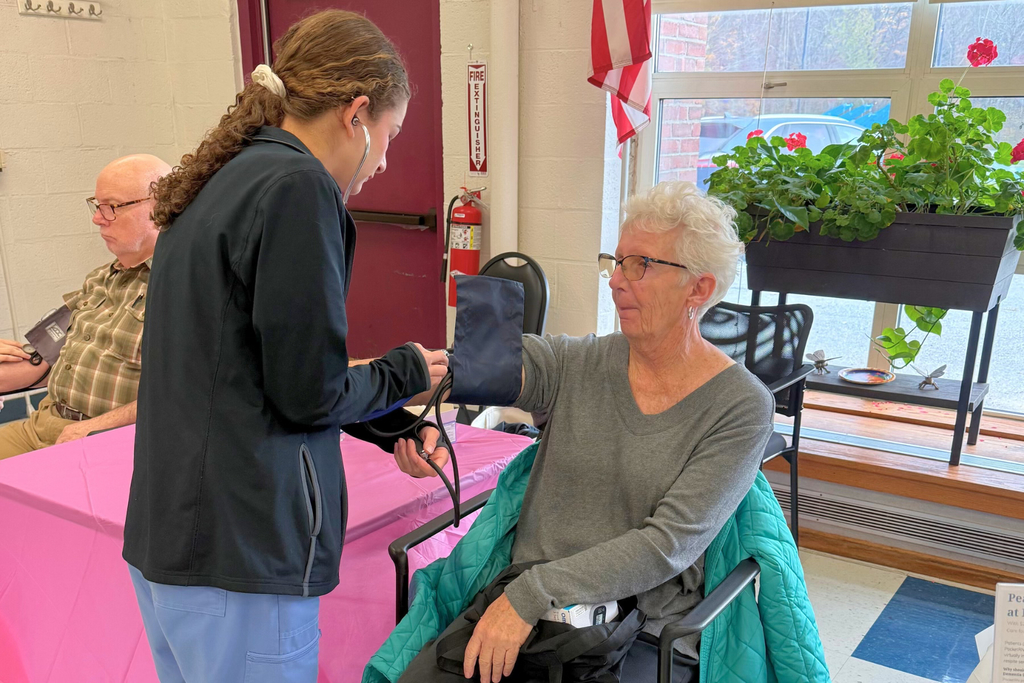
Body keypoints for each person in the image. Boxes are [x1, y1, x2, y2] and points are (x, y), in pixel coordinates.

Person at [122, 11, 450, 683]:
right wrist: (404, 371)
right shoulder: (298, 188)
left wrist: (393, 428)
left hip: (174, 546)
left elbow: (256, 373)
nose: (386, 160)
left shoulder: (223, 175)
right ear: (357, 113)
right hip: (241, 555)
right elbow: (308, 392)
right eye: (390, 135)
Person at [397, 182, 776, 683]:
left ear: (699, 288)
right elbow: (466, 370)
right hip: (525, 601)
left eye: (640, 264)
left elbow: (665, 545)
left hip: (638, 626)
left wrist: (531, 596)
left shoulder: (740, 405)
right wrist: (380, 406)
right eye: (615, 262)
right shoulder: (579, 363)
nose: (617, 281)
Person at [0, 154, 171, 459]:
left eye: (113, 207)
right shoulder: (99, 280)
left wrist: (94, 429)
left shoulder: (181, 286)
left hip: (107, 438)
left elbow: (184, 391)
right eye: (97, 205)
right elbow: (41, 363)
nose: (97, 218)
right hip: (45, 425)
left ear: (160, 206)